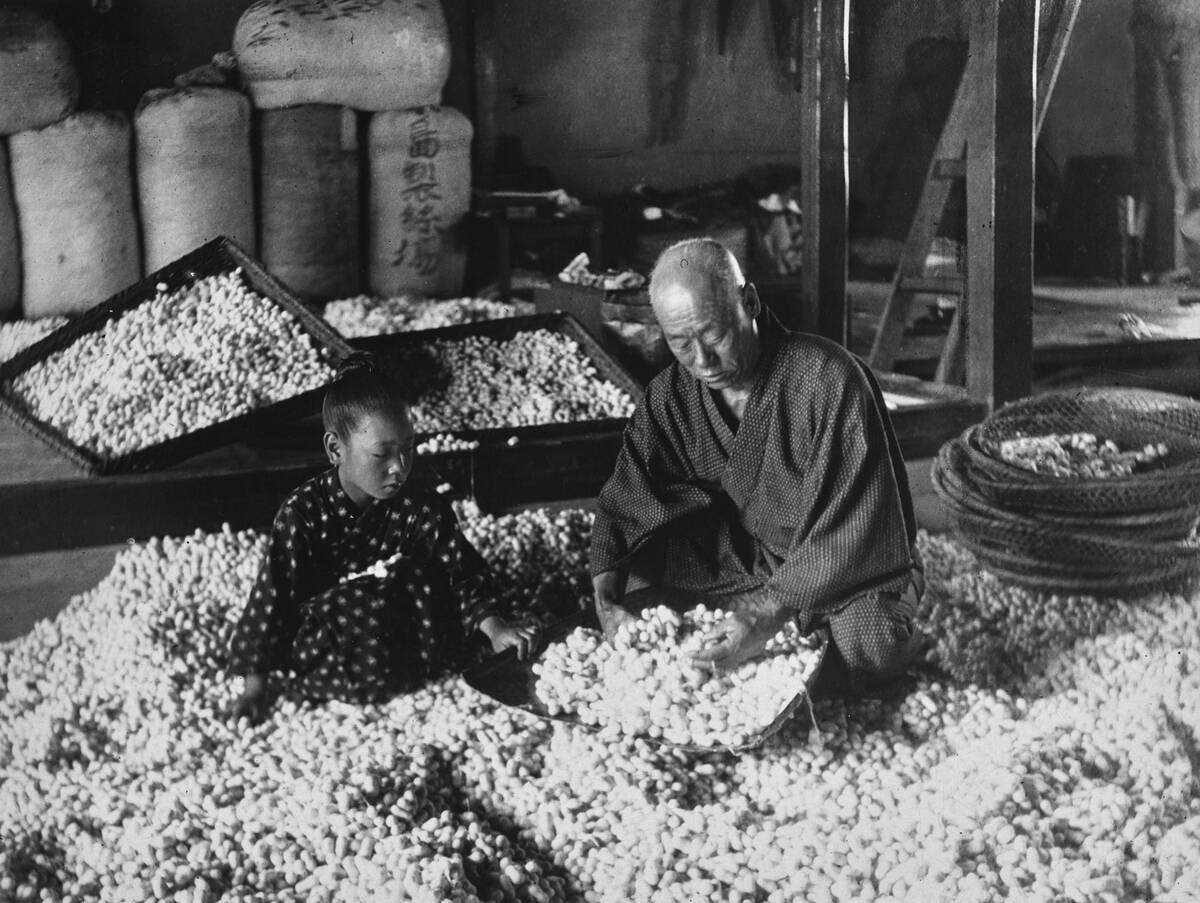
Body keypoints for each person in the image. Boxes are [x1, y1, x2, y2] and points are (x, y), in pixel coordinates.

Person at [589, 238, 924, 692]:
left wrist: (763, 613)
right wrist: (605, 597)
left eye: (713, 335)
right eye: (680, 343)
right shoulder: (670, 394)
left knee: (870, 644)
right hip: (745, 558)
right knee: (639, 588)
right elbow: (629, 500)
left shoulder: (826, 377)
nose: (702, 361)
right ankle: (789, 633)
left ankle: (871, 624)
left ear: (749, 302)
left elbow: (857, 524)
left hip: (844, 561)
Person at [228, 352, 537, 721]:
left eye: (408, 449)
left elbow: (460, 571)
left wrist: (495, 628)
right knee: (362, 610)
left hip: (415, 630)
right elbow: (273, 596)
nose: (400, 467)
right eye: (381, 454)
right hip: (339, 640)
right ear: (334, 449)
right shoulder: (302, 514)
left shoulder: (420, 504)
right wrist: (255, 687)